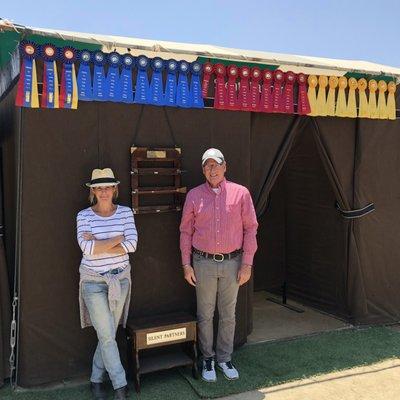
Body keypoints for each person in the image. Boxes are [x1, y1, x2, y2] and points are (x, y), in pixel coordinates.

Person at [180, 148, 258, 382]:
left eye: (216, 165)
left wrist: (247, 264)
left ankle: (225, 358)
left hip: (232, 263)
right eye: (207, 166)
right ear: (203, 170)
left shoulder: (241, 193)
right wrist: (186, 264)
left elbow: (251, 228)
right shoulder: (194, 195)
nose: (211, 170)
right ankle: (208, 359)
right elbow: (185, 231)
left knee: (228, 315)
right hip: (202, 262)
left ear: (225, 167)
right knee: (204, 314)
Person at [77, 168, 137, 400]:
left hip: (120, 279)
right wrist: (118, 238)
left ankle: (95, 379)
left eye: (107, 187)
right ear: (93, 191)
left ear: (115, 189)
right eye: (99, 187)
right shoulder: (83, 216)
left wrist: (102, 243)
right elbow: (88, 250)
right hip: (93, 281)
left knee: (107, 333)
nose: (103, 191)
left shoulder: (125, 212)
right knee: (108, 335)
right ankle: (120, 386)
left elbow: (132, 245)